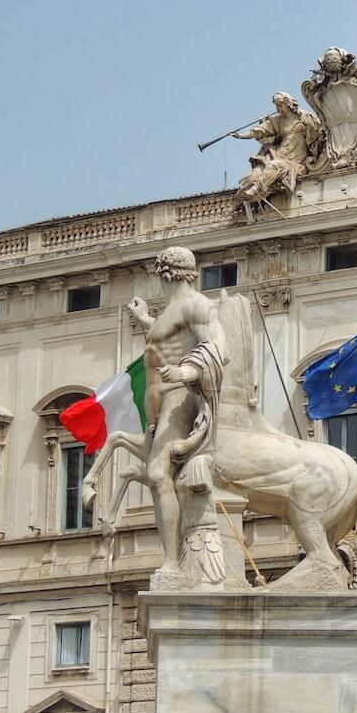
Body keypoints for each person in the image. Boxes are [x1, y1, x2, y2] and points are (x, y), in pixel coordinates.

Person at [127, 247, 229, 588]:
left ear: (165, 272)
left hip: (182, 395)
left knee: (157, 474)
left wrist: (185, 371)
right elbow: (169, 336)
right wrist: (145, 321)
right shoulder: (171, 308)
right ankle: (172, 557)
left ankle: (172, 562)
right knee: (156, 474)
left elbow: (218, 347)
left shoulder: (197, 304)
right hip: (162, 398)